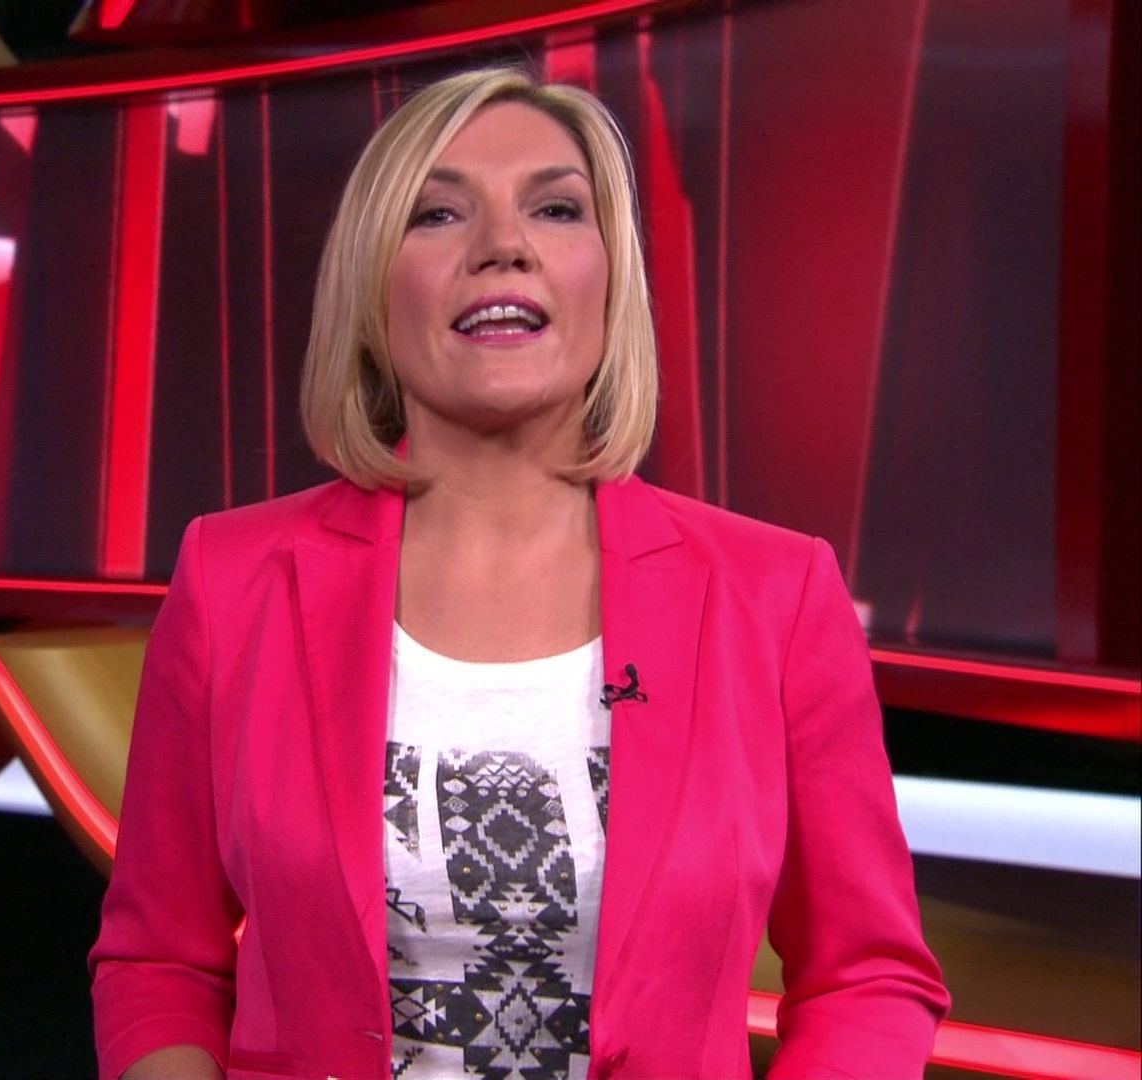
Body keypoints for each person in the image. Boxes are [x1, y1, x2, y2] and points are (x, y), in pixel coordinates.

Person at [90, 66, 949, 1080]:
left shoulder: (776, 596)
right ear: (372, 289)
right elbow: (160, 962)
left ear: (609, 278)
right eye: (438, 213)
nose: (504, 245)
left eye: (555, 208)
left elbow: (866, 977)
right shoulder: (233, 581)